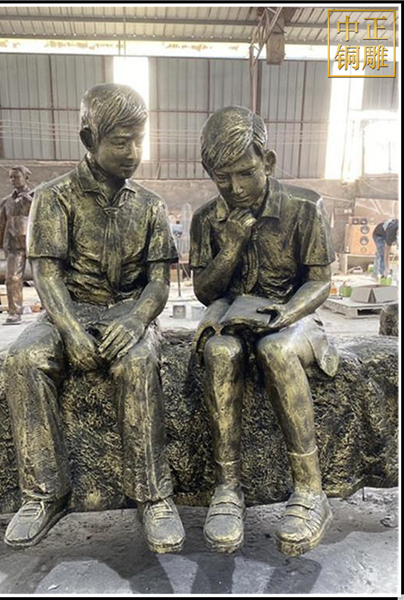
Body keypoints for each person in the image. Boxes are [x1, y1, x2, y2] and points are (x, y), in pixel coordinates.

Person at [3, 83, 185, 554]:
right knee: (23, 360)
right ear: (88, 139)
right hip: (70, 309)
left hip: (127, 310)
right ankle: (45, 493)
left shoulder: (150, 205)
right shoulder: (54, 197)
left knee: (138, 362)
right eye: (120, 142)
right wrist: (69, 330)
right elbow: (46, 274)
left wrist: (137, 321)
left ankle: (153, 495)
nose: (133, 153)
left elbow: (158, 283)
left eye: (139, 141)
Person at [190, 106, 339, 557]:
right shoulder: (207, 219)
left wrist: (288, 313)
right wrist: (231, 247)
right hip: (233, 317)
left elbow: (320, 281)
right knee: (220, 353)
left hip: (293, 318)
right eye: (222, 178)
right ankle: (227, 487)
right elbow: (205, 291)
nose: (236, 188)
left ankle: (310, 490)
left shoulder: (304, 207)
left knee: (276, 350)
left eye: (246, 173)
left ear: (267, 161)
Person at [0, 165, 34, 324]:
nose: (13, 180)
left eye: (16, 176)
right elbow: (0, 225)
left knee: (43, 279)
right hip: (14, 244)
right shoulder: (6, 202)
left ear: (26, 177)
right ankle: (14, 312)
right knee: (12, 278)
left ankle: (51, 313)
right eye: (11, 177)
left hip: (34, 243)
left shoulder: (35, 197)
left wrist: (31, 201)